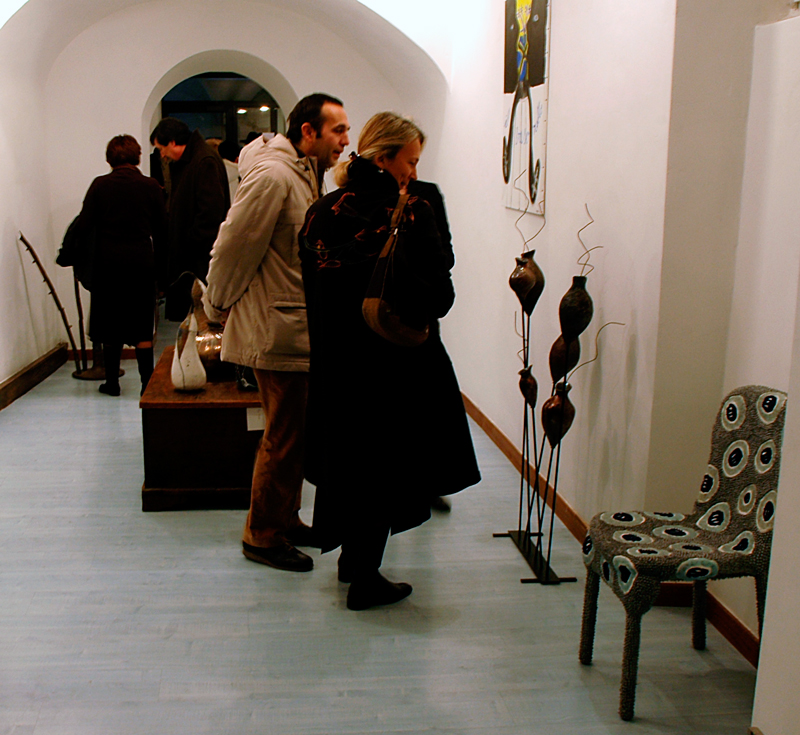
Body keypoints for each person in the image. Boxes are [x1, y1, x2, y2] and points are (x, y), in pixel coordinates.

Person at [299, 112, 481, 610]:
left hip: (336, 362)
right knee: (384, 464)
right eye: (410, 161)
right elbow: (439, 296)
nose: (414, 172)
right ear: (384, 158)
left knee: (348, 458)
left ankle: (350, 559)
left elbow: (312, 286)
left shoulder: (321, 210)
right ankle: (365, 579)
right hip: (392, 364)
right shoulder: (413, 210)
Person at [203, 93, 351, 573]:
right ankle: (262, 536)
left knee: (295, 434)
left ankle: (284, 518)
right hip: (277, 327)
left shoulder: (305, 173)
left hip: (295, 324)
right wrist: (215, 306)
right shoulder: (273, 176)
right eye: (338, 130)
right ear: (308, 131)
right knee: (284, 436)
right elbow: (234, 246)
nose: (345, 140)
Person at [76, 134, 167, 396]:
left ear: (110, 158)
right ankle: (146, 384)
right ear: (137, 156)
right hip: (141, 262)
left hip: (108, 263)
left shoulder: (100, 186)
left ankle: (112, 383)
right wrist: (162, 273)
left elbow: (84, 224)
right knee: (142, 325)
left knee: (110, 323)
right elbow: (162, 230)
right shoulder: (150, 186)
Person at [151, 117, 230, 320]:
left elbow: (210, 216)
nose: (162, 154)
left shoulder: (203, 161)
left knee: (201, 321)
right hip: (192, 259)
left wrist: (187, 246)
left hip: (198, 262)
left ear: (173, 142)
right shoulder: (195, 160)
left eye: (161, 148)